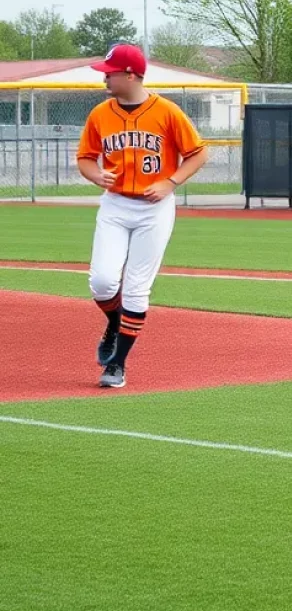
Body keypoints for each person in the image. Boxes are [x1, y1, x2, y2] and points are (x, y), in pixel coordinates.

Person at [75, 44, 209, 389]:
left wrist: (170, 181)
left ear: (131, 75)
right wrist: (94, 175)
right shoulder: (100, 114)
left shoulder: (166, 112)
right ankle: (114, 321)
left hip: (155, 209)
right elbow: (86, 158)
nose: (104, 77)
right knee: (102, 282)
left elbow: (197, 153)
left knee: (136, 288)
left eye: (110, 72)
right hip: (116, 205)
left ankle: (117, 364)